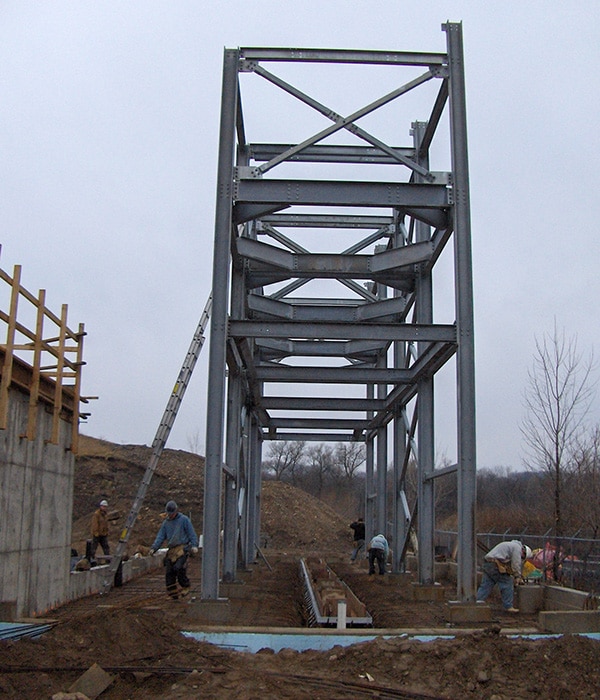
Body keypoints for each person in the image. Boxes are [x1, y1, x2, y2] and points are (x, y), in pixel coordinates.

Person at [149, 500, 199, 599]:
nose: (170, 516)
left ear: (176, 511)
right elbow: (160, 537)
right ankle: (173, 593)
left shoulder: (184, 520)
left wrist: (194, 545)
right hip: (172, 550)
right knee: (169, 572)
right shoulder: (166, 524)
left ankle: (185, 586)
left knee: (179, 568)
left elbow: (191, 533)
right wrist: (154, 548)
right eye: (169, 514)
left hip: (182, 549)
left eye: (171, 514)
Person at [476, 540, 533, 613]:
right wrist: (517, 576)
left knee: (486, 585)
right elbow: (515, 564)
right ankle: (508, 606)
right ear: (524, 552)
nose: (521, 558)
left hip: (488, 563)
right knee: (507, 582)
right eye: (522, 557)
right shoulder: (517, 548)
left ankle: (477, 602)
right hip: (495, 565)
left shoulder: (511, 545)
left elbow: (507, 564)